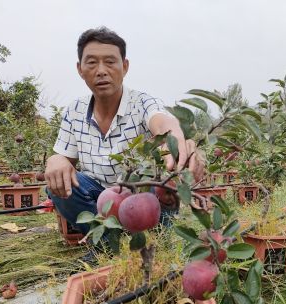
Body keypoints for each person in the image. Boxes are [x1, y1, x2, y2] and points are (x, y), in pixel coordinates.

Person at [45, 27, 202, 238]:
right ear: (80, 69)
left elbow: (161, 120)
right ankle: (106, 242)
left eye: (110, 61)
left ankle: (152, 236)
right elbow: (65, 164)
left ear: (124, 66)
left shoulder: (142, 102)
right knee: (58, 183)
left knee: (168, 179)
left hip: (142, 197)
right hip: (101, 200)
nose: (101, 70)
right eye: (91, 62)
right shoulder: (75, 111)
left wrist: (174, 137)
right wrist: (56, 159)